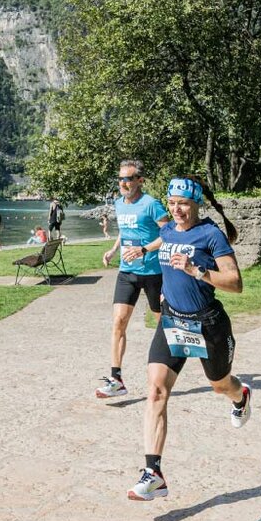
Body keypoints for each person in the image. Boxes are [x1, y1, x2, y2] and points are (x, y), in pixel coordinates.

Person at [127, 176, 249, 502]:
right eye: (172, 203)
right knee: (155, 391)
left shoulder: (211, 235)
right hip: (172, 323)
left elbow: (236, 282)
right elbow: (163, 240)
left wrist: (198, 271)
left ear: (196, 204)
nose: (177, 209)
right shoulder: (168, 230)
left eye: (183, 203)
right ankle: (154, 473)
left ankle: (240, 397)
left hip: (209, 325)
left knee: (221, 386)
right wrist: (143, 248)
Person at [95, 160, 169, 400]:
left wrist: (145, 250)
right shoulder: (118, 204)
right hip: (127, 272)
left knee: (164, 324)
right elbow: (124, 232)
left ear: (140, 180)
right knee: (118, 322)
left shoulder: (151, 205)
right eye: (120, 179)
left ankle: (168, 367)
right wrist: (113, 250)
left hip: (153, 273)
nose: (123, 183)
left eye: (128, 178)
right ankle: (116, 379)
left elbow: (168, 234)